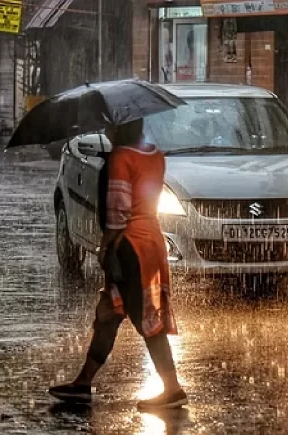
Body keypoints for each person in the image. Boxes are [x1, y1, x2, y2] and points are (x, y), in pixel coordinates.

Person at [49, 119, 186, 410]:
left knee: (146, 318)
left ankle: (172, 388)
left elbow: (119, 209)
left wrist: (106, 246)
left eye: (111, 127)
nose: (107, 132)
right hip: (151, 242)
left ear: (120, 130)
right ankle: (83, 382)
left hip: (130, 247)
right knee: (109, 314)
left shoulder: (123, 158)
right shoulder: (155, 155)